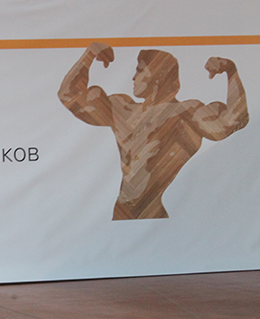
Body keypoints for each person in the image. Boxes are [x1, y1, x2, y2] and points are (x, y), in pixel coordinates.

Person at [58, 42, 249, 220]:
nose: (133, 78)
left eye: (139, 71)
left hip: (154, 214)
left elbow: (233, 121)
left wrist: (231, 71)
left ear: (158, 76)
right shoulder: (124, 111)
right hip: (122, 211)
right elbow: (69, 95)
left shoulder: (183, 113)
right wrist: (90, 54)